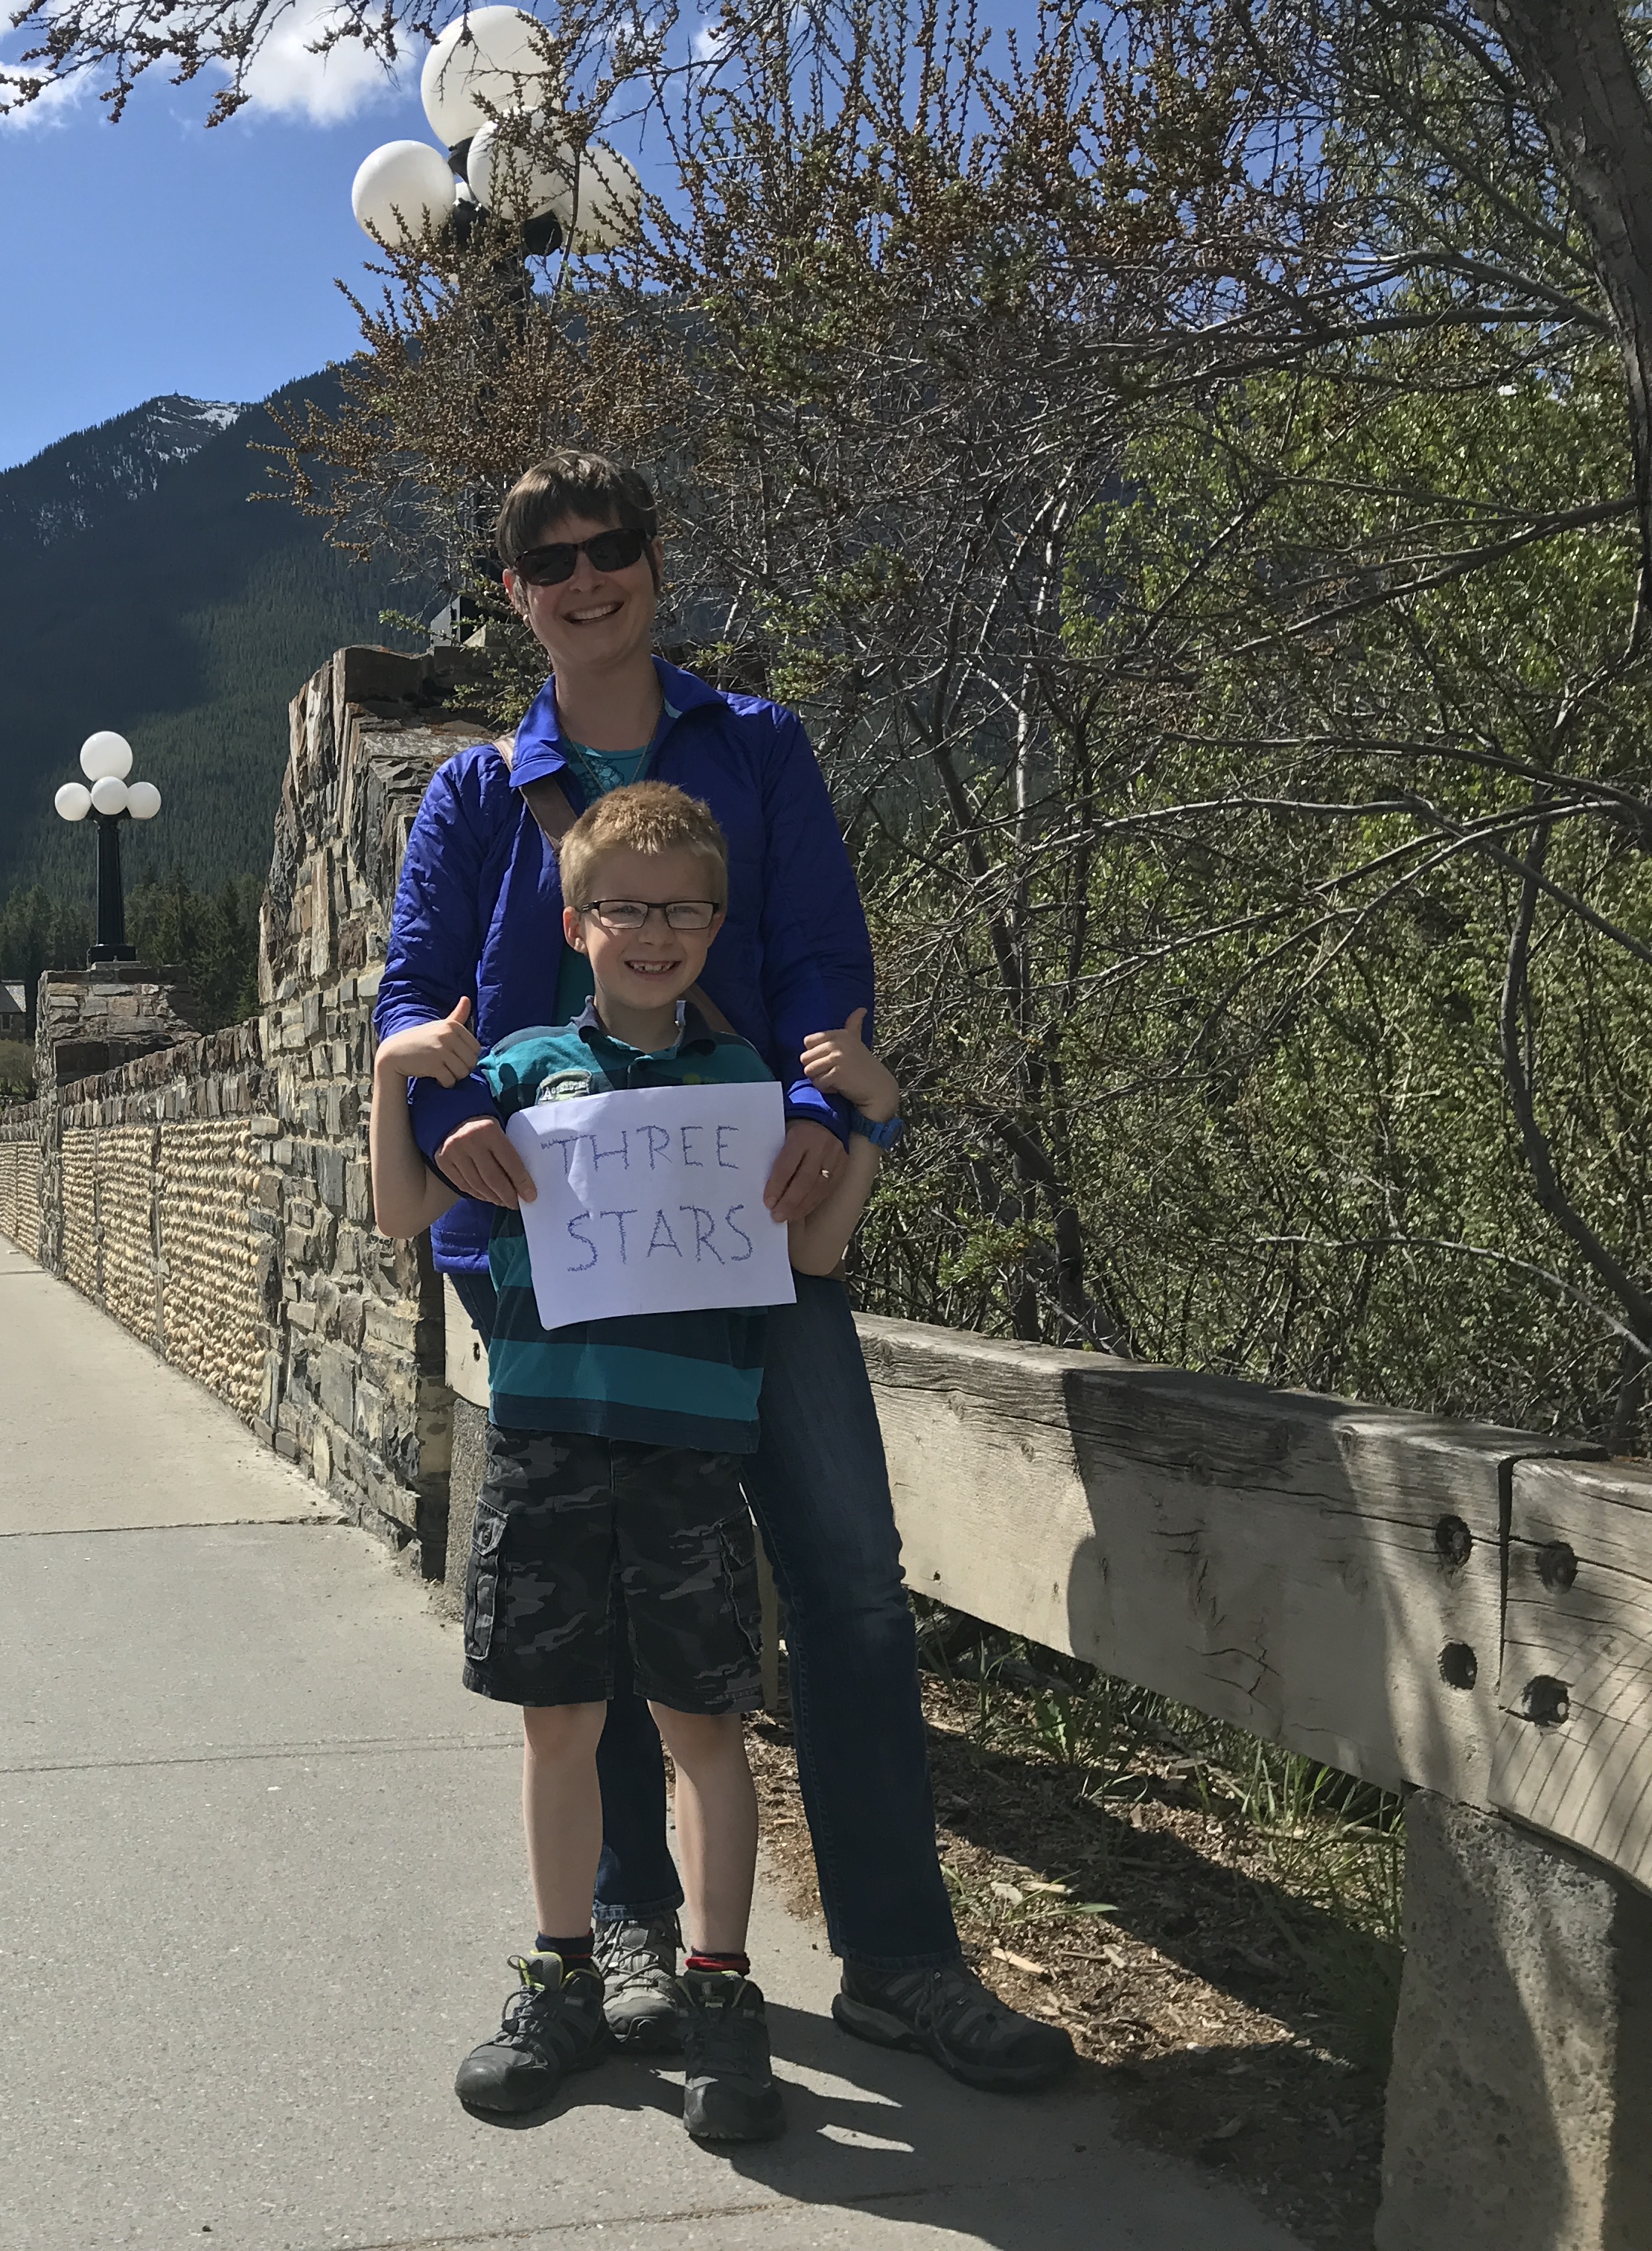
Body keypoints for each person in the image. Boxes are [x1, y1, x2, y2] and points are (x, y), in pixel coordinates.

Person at [375, 451, 1071, 2096]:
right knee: (601, 1603)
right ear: (513, 593)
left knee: (847, 1582)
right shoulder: (476, 794)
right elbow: (416, 995)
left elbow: (825, 959)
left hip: (745, 1221)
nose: (585, 577)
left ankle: (898, 1956)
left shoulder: (756, 747)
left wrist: (825, 1116)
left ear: (653, 560)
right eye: (551, 559)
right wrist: (456, 1120)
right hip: (549, 1248)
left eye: (610, 546)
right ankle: (624, 1939)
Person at [372, 782, 900, 2140]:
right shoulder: (522, 1070)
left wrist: (870, 1122)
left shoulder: (744, 1085)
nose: (653, 933)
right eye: (624, 908)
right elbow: (402, 1209)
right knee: (558, 1723)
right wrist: (395, 1079)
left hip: (689, 1456)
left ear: (716, 926)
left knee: (702, 1729)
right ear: (576, 923)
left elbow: (813, 1249)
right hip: (547, 1442)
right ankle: (562, 1977)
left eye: (681, 911)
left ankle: (718, 1991)